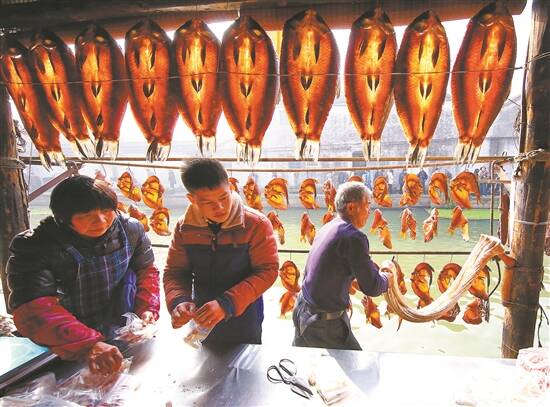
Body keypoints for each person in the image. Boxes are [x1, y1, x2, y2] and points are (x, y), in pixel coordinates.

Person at [7, 175, 160, 374]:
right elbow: (33, 309)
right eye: (86, 215)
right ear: (63, 218)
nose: (101, 220)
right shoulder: (35, 246)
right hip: (60, 342)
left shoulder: (131, 230)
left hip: (119, 330)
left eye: (106, 211)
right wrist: (88, 344)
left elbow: (146, 271)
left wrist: (147, 309)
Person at [164, 158, 278, 344]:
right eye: (207, 202)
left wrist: (226, 304)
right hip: (201, 315)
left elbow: (268, 271)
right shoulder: (185, 228)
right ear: (192, 199)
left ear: (231, 188)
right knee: (205, 357)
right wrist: (179, 301)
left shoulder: (256, 224)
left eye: (224, 197)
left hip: (244, 314)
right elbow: (175, 272)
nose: (220, 207)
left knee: (245, 358)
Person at [292, 182, 392, 350]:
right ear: (351, 207)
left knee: (304, 362)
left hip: (302, 309)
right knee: (356, 363)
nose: (370, 211)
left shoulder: (328, 227)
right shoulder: (354, 238)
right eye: (367, 205)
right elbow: (372, 287)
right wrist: (388, 278)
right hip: (322, 323)